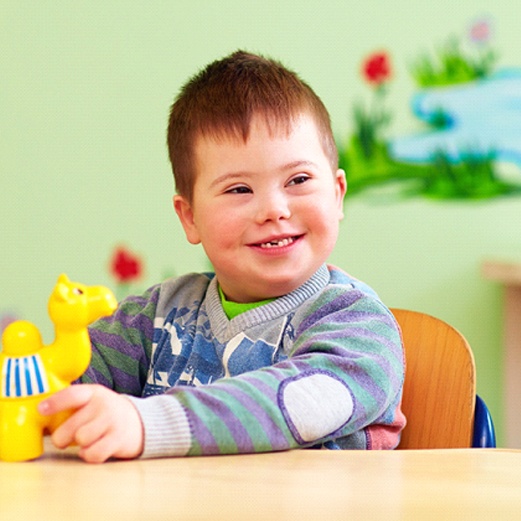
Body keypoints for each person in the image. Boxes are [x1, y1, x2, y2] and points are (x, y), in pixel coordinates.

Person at [38, 50, 405, 463]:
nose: (274, 209)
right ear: (190, 216)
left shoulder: (359, 327)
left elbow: (295, 404)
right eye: (238, 190)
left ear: (337, 194)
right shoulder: (156, 316)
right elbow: (60, 387)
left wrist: (148, 424)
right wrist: (33, 384)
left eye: (298, 180)